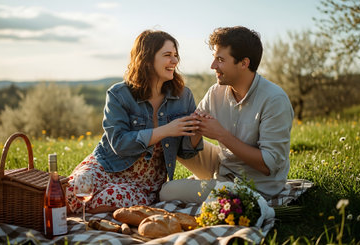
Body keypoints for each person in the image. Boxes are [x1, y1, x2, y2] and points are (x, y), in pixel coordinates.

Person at [66, 30, 203, 214]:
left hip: (145, 181)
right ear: (147, 59)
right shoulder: (118, 94)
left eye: (176, 56)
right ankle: (76, 211)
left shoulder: (184, 96)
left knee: (112, 197)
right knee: (70, 192)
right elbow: (119, 143)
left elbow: (186, 152)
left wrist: (198, 131)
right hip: (107, 164)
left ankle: (82, 212)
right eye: (167, 55)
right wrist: (166, 130)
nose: (175, 61)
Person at [159, 26, 294, 204]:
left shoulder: (274, 100)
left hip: (254, 184)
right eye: (214, 58)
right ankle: (211, 184)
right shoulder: (216, 92)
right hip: (224, 165)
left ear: (244, 63)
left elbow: (268, 165)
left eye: (220, 60)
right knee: (172, 138)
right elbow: (189, 140)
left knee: (167, 192)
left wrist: (220, 134)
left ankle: (216, 188)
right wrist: (195, 129)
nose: (213, 66)